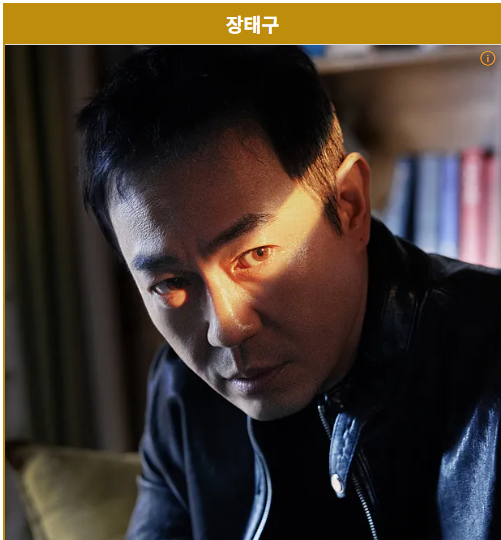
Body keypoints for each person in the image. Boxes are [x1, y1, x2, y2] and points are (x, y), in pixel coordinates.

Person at [76, 45, 501, 540]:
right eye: (171, 283)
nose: (226, 328)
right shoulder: (183, 392)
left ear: (349, 206)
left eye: (254, 254)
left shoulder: (488, 358)